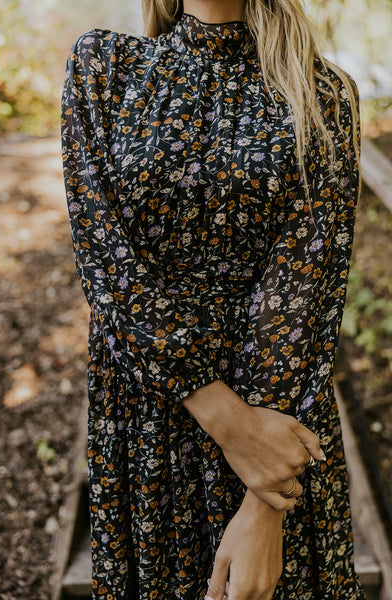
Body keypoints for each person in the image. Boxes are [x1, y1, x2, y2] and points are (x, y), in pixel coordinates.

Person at [61, 0, 365, 598]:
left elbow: (304, 294)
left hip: (277, 413)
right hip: (148, 418)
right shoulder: (107, 66)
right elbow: (105, 257)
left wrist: (265, 504)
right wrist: (228, 422)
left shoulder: (322, 91)